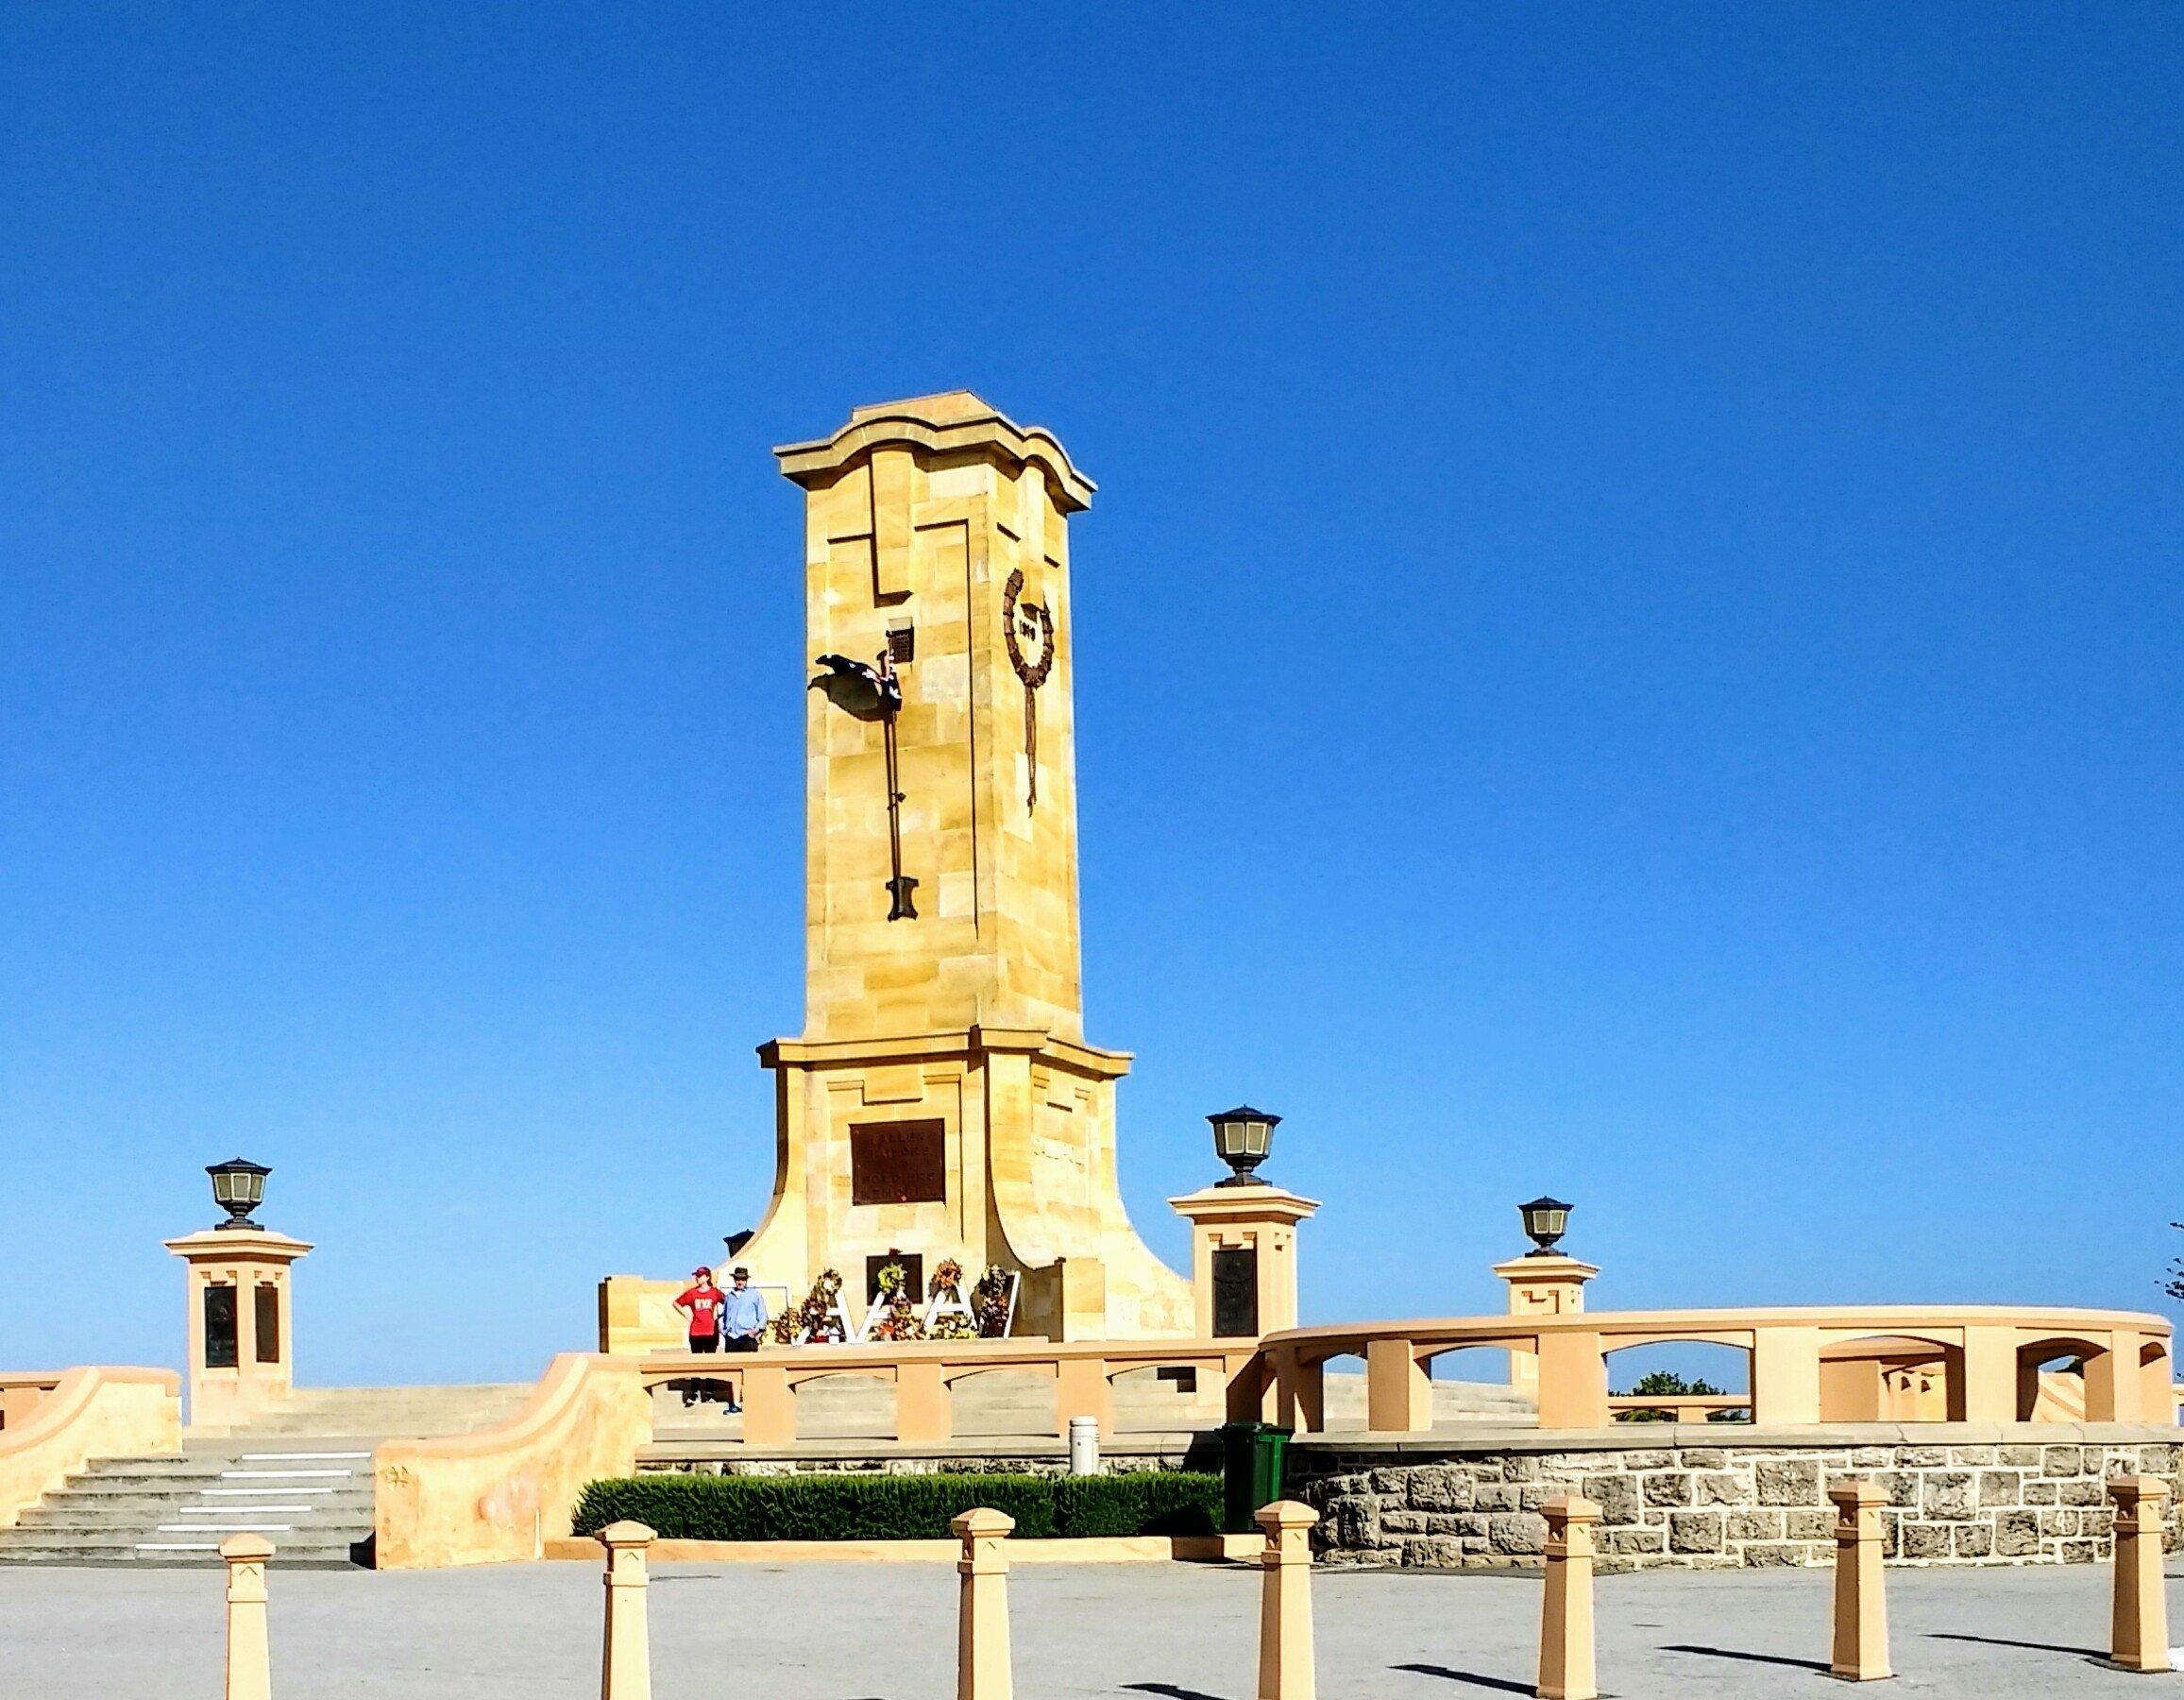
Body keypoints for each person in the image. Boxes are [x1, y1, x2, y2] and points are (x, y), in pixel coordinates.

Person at [717, 1266, 769, 1413]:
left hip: (747, 1336)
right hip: (732, 1337)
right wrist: (723, 1330)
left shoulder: (754, 1295)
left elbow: (763, 1315)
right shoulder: (729, 1297)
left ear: (746, 1280)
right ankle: (735, 1403)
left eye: (743, 1279)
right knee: (733, 1372)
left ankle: (750, 1402)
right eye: (738, 1279)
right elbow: (723, 1316)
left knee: (750, 1371)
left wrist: (756, 1330)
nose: (740, 1282)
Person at [673, 1266, 723, 1407]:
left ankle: (709, 1392)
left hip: (711, 1332)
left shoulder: (714, 1292)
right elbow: (676, 1303)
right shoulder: (692, 1293)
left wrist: (720, 1318)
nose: (697, 1278)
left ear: (707, 1277)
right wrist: (686, 1314)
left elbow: (727, 1302)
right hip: (696, 1332)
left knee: (711, 1362)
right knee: (695, 1362)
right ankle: (694, 1392)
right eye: (697, 1276)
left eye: (700, 1276)